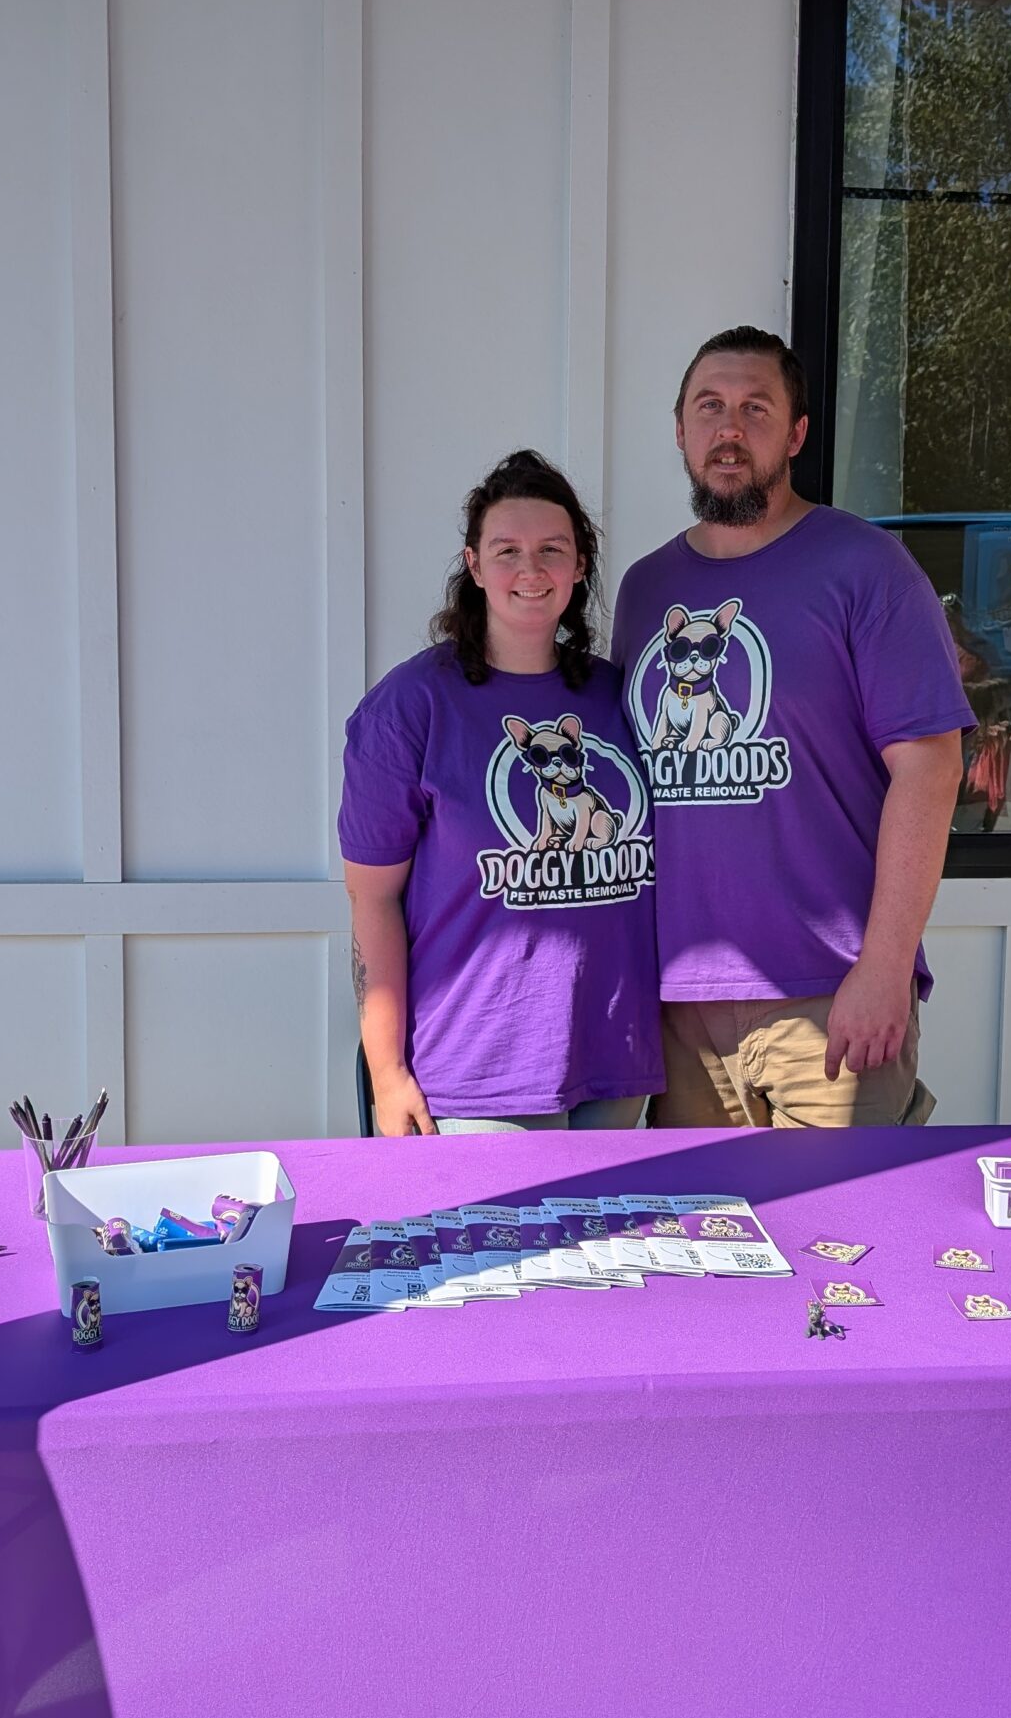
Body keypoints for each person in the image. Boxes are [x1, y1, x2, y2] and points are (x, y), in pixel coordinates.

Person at [610, 325, 973, 1129]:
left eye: (756, 409)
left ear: (797, 433)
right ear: (680, 430)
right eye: (710, 407)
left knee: (845, 1214)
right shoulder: (645, 590)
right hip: (677, 1005)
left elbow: (931, 768)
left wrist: (885, 968)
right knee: (697, 1216)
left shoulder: (867, 570)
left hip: (830, 995)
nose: (730, 429)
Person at [341, 449, 662, 1134]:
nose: (531, 570)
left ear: (579, 566)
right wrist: (387, 1074)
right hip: (477, 1074)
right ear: (475, 565)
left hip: (616, 1055)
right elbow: (371, 899)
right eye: (507, 550)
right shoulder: (410, 707)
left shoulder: (621, 696)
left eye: (552, 550)